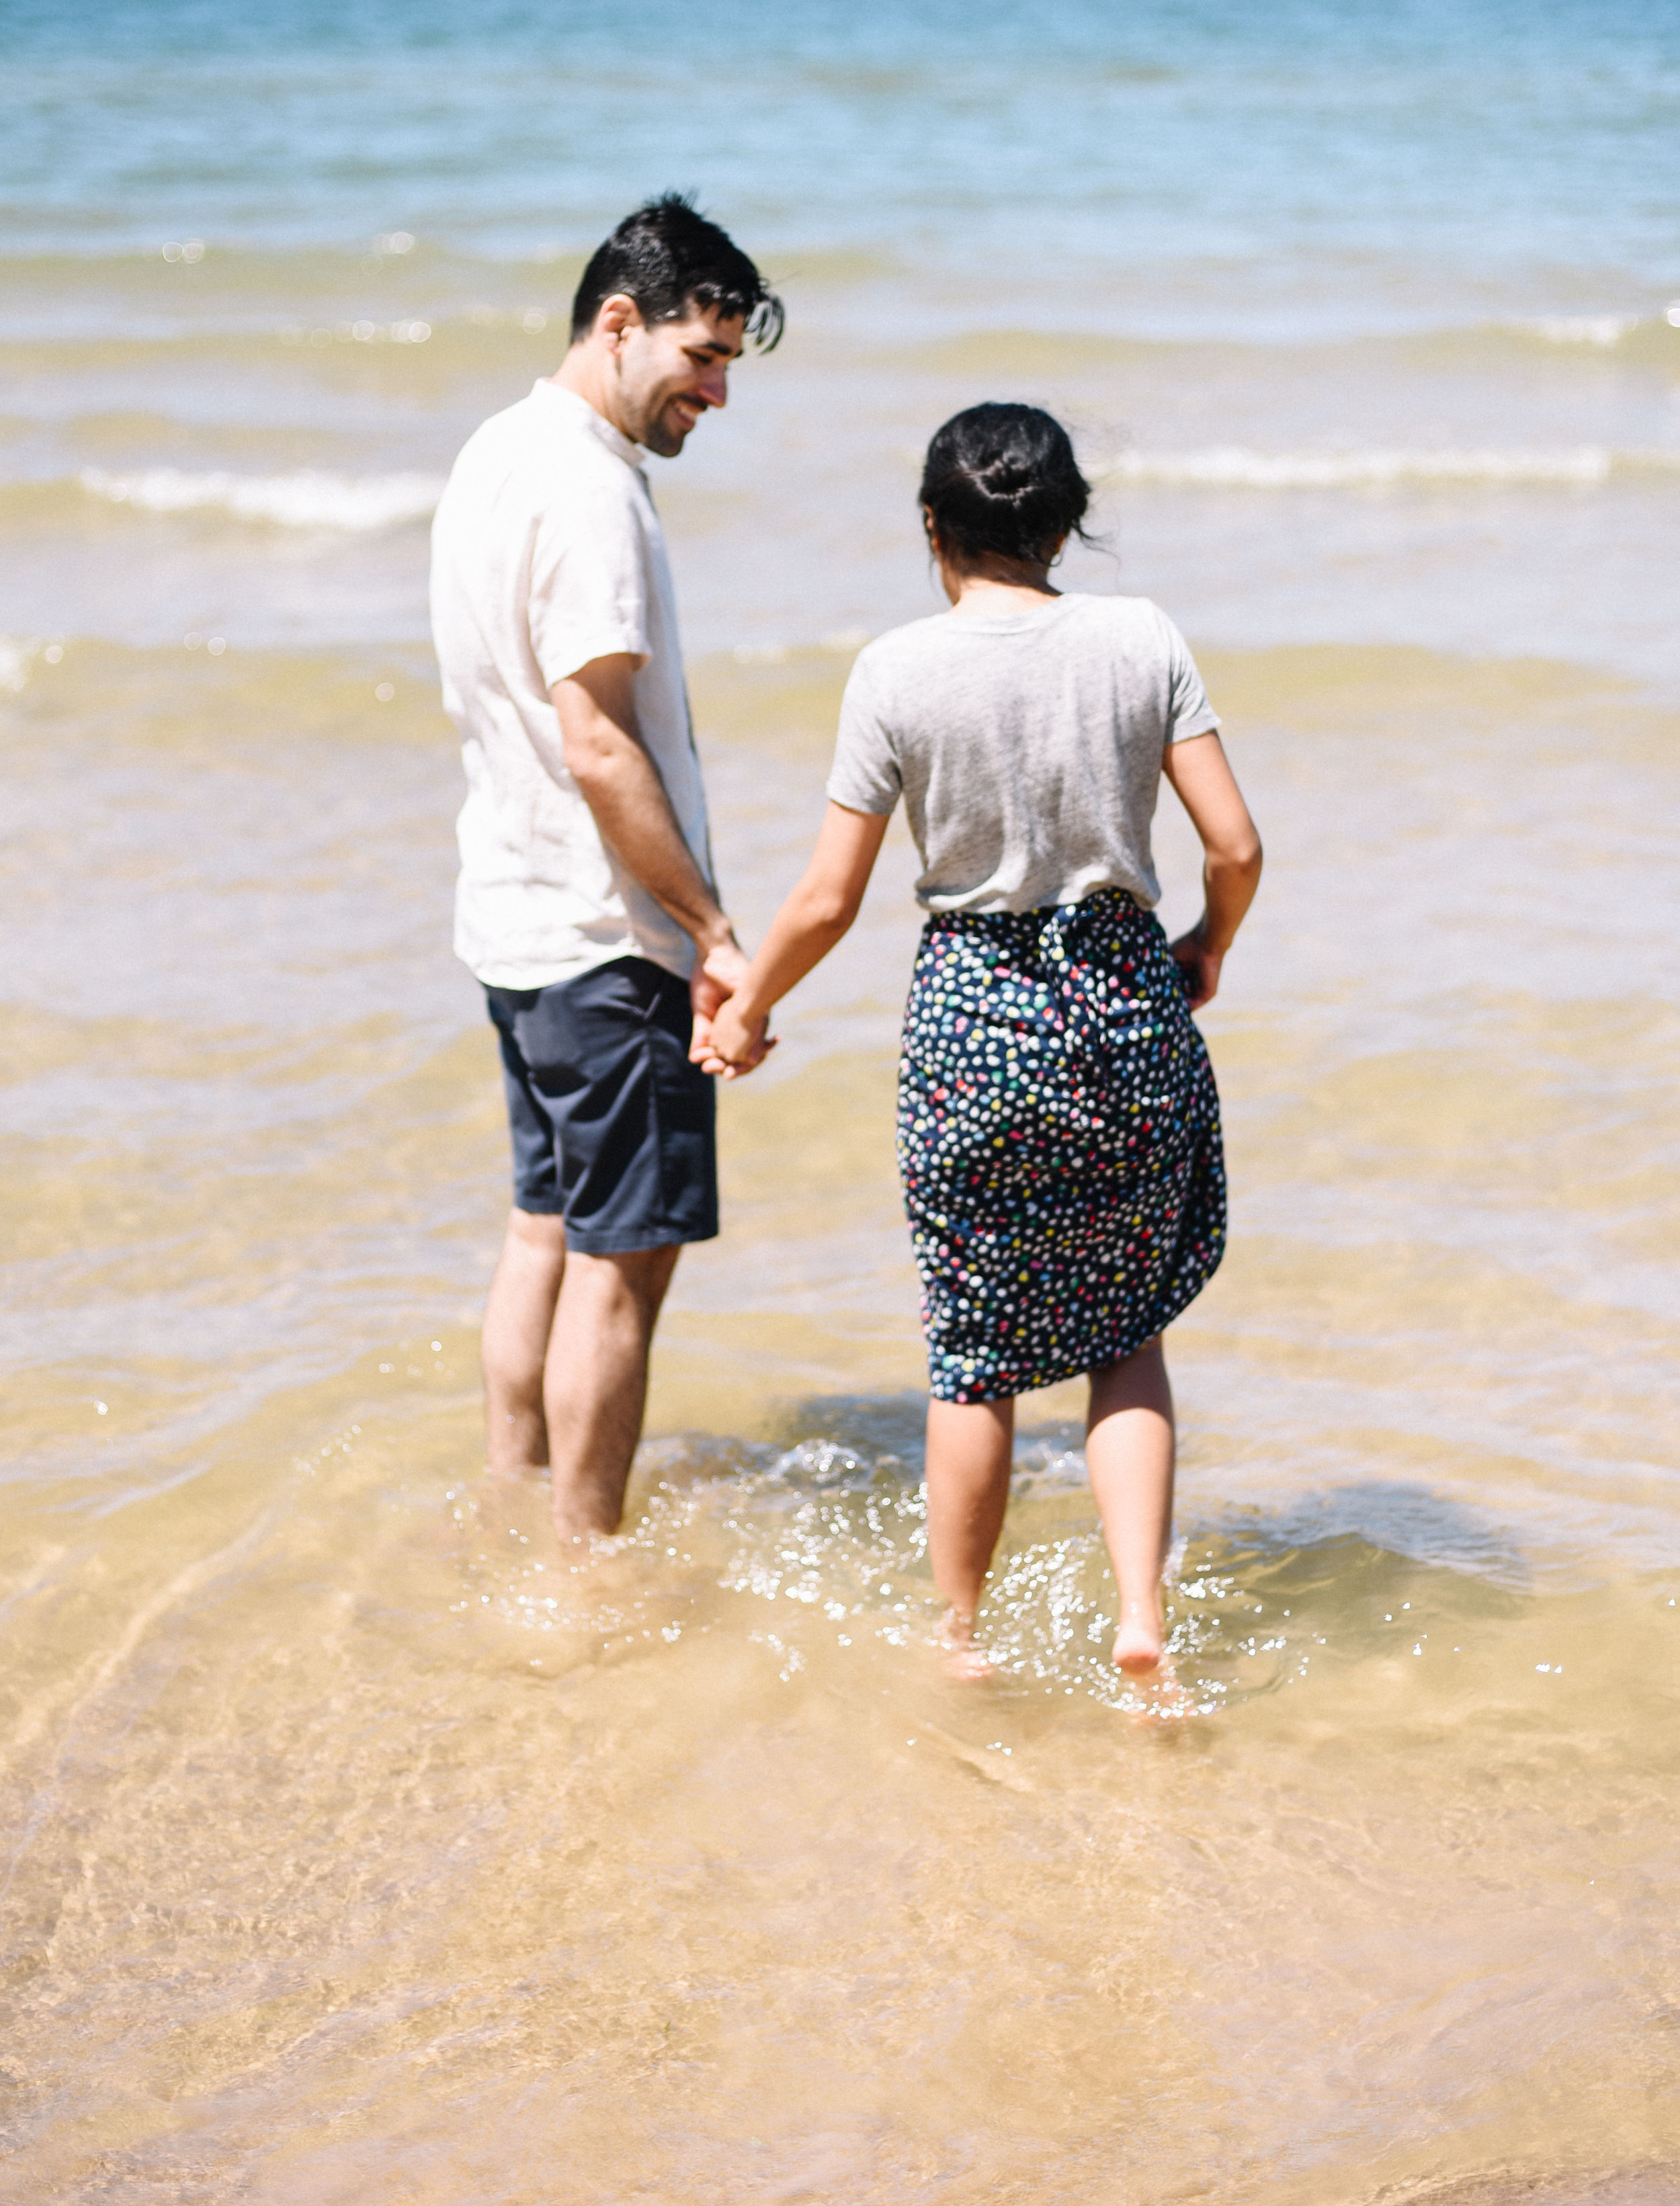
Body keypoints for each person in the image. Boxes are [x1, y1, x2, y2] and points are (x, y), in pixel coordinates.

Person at [699, 403, 1261, 1677]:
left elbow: (828, 899)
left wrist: (745, 1010)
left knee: (974, 1351)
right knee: (1126, 1338)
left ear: (933, 532)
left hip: (972, 1027)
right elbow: (1235, 846)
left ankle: (959, 1634)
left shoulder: (895, 671)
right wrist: (1208, 945)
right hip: (1126, 1006)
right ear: (1067, 524)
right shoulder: (1140, 637)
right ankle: (1140, 1626)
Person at [430, 194, 781, 1545]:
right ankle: (582, 1557)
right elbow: (597, 742)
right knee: (620, 1276)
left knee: (540, 1235)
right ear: (618, 320)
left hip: (513, 925)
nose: (716, 394)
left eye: (730, 368)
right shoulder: (588, 490)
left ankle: (511, 1499)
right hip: (602, 941)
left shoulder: (492, 449)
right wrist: (709, 928)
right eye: (703, 358)